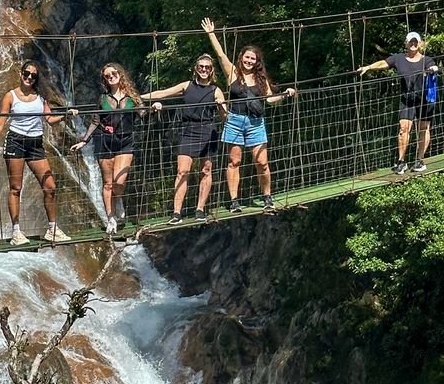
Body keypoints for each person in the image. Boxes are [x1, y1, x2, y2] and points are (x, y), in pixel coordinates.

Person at [201, 17, 296, 213]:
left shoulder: (261, 79)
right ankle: (234, 201)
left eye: (253, 59)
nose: (249, 61)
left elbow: (270, 99)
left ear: (257, 61)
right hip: (235, 120)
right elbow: (220, 55)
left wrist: (285, 94)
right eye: (247, 57)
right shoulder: (232, 73)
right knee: (234, 161)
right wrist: (211, 34)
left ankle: (267, 196)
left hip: (255, 123)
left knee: (262, 162)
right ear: (241, 57)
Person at [0, 61, 74, 245]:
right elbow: (2, 122)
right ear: (21, 73)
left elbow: (49, 119)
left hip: (35, 144)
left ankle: (52, 229)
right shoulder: (10, 96)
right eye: (26, 74)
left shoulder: (41, 97)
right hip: (15, 141)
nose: (29, 78)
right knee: (16, 188)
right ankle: (16, 232)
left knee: (50, 187)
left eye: (33, 76)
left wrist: (66, 115)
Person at [144, 55, 227, 225]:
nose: (204, 69)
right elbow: (164, 93)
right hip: (188, 131)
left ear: (212, 70)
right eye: (201, 66)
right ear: (195, 68)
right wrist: (138, 97)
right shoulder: (186, 86)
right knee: (182, 171)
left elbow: (224, 116)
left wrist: (220, 105)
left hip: (207, 131)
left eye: (207, 67)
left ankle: (200, 209)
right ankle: (176, 213)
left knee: (206, 170)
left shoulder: (215, 90)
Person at [71, 62, 146, 233]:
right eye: (107, 75)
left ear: (120, 74)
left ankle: (117, 198)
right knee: (107, 184)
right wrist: (84, 141)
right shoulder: (103, 98)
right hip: (104, 142)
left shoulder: (132, 97)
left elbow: (143, 113)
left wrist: (154, 108)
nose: (111, 76)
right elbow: (96, 121)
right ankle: (111, 219)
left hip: (125, 142)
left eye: (113, 73)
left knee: (119, 182)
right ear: (104, 80)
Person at [358, 30, 439, 174]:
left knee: (423, 128)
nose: (413, 44)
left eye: (415, 41)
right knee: (403, 129)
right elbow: (384, 63)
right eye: (410, 41)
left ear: (419, 44)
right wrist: (368, 67)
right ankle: (401, 161)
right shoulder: (399, 58)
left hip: (425, 99)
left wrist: (433, 69)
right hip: (407, 99)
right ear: (406, 44)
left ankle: (420, 160)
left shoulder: (426, 59)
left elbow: (433, 66)